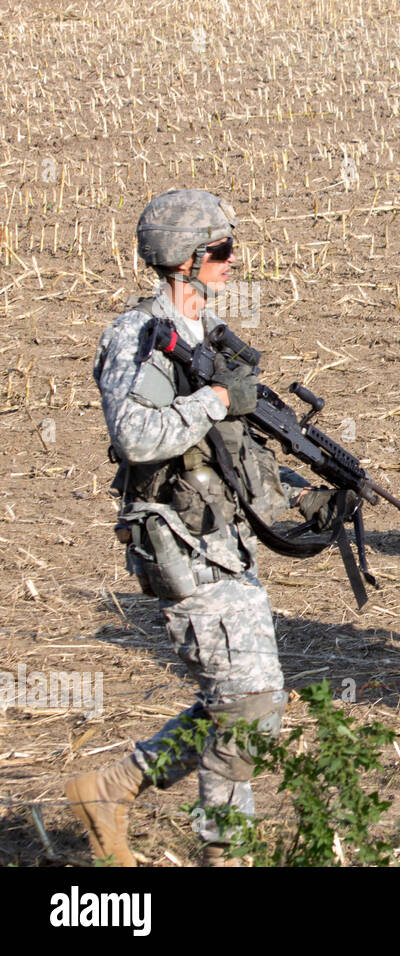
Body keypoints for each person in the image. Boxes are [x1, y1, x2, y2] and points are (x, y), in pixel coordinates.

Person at [67, 190, 346, 865]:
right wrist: (216, 398)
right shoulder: (136, 336)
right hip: (178, 542)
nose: (232, 261)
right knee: (248, 702)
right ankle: (224, 853)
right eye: (220, 251)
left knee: (250, 702)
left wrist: (296, 494)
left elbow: (229, 451)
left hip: (223, 542)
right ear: (184, 260)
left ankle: (116, 787)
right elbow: (136, 436)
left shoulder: (205, 333)